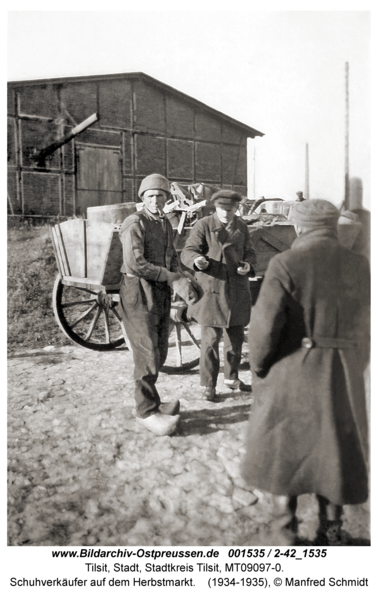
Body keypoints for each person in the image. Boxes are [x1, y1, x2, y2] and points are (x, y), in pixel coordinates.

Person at [241, 199, 370, 544]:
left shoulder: (286, 263)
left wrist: (260, 367)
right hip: (342, 373)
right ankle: (333, 530)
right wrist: (356, 365)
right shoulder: (359, 265)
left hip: (293, 370)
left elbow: (264, 328)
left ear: (298, 227)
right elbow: (366, 327)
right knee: (335, 452)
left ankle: (285, 534)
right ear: (331, 226)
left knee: (286, 454)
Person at [118, 174, 182, 436]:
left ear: (168, 198)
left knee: (160, 349)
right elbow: (135, 264)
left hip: (159, 291)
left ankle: (152, 401)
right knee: (147, 353)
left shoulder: (164, 222)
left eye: (161, 195)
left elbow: (171, 255)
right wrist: (169, 276)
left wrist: (180, 274)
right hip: (138, 291)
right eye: (150, 195)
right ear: (142, 198)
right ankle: (146, 411)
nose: (156, 200)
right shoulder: (135, 223)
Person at [181, 189, 257, 401]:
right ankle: (208, 384)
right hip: (212, 291)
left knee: (235, 339)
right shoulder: (203, 225)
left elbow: (250, 251)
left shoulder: (241, 226)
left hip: (237, 290)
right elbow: (188, 251)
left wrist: (248, 265)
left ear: (237, 208)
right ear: (215, 208)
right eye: (222, 209)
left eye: (230, 209)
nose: (226, 213)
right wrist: (197, 260)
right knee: (210, 342)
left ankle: (231, 378)